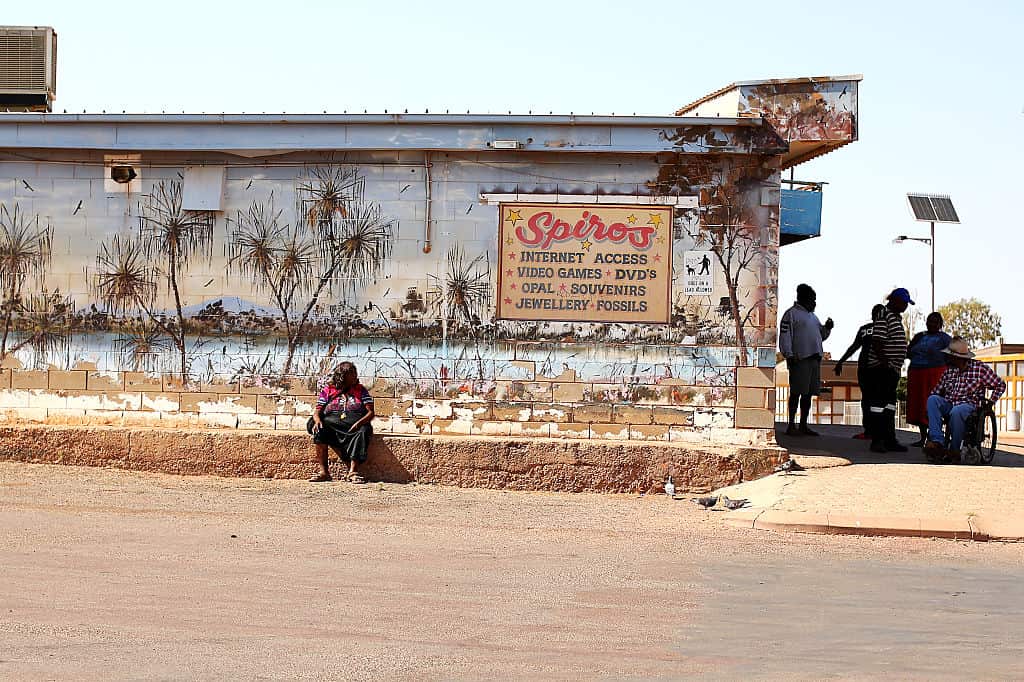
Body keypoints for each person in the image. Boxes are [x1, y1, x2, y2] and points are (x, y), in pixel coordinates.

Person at [923, 337, 1006, 464]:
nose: (948, 358)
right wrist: (930, 409)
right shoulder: (949, 371)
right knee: (932, 399)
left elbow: (1000, 385)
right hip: (949, 403)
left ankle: (955, 449)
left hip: (969, 405)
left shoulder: (979, 369)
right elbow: (936, 391)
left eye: (950, 356)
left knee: (957, 411)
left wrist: (990, 402)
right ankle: (937, 442)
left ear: (958, 358)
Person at [779, 283, 834, 436]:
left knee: (808, 394)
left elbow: (820, 336)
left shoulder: (813, 317)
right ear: (803, 298)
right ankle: (791, 425)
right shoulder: (791, 314)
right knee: (796, 392)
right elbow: (785, 336)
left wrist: (827, 328)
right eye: (812, 299)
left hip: (814, 359)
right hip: (799, 359)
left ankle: (803, 425)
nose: (814, 303)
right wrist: (788, 355)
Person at [309, 362, 375, 483]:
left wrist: (359, 423)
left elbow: (371, 412)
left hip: (353, 425)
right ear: (343, 376)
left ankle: (353, 472)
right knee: (318, 429)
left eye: (355, 373)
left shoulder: (360, 390)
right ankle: (324, 472)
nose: (355, 376)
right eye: (352, 374)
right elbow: (317, 411)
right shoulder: (329, 389)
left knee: (363, 431)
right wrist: (317, 421)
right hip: (333, 424)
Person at [864, 288, 912, 453]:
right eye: (904, 303)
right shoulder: (884, 316)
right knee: (878, 405)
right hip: (881, 370)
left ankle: (889, 439)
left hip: (892, 370)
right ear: (895, 301)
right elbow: (877, 342)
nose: (906, 307)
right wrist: (885, 363)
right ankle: (877, 440)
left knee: (890, 405)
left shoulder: (895, 318)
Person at [834, 304, 886, 440]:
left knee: (874, 400)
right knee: (870, 400)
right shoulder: (869, 329)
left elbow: (854, 347)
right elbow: (854, 347)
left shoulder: (883, 330)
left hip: (878, 370)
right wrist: (841, 361)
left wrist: (841, 362)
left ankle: (876, 431)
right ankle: (871, 431)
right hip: (867, 370)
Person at [906, 312, 953, 446]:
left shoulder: (945, 339)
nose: (931, 324)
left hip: (935, 374)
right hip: (916, 372)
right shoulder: (919, 336)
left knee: (930, 403)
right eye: (929, 321)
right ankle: (923, 437)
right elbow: (908, 351)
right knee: (919, 405)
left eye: (935, 322)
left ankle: (935, 437)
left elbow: (952, 358)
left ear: (940, 324)